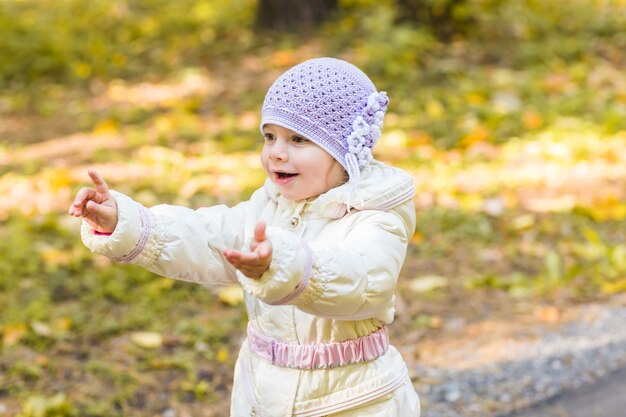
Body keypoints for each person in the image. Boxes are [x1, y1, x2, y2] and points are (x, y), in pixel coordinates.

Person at [69, 57, 420, 417]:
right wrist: (125, 222)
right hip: (262, 394)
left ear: (345, 150)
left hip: (353, 401)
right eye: (270, 136)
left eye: (299, 138)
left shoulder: (375, 217)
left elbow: (363, 279)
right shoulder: (268, 207)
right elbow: (205, 237)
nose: (277, 152)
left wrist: (284, 263)